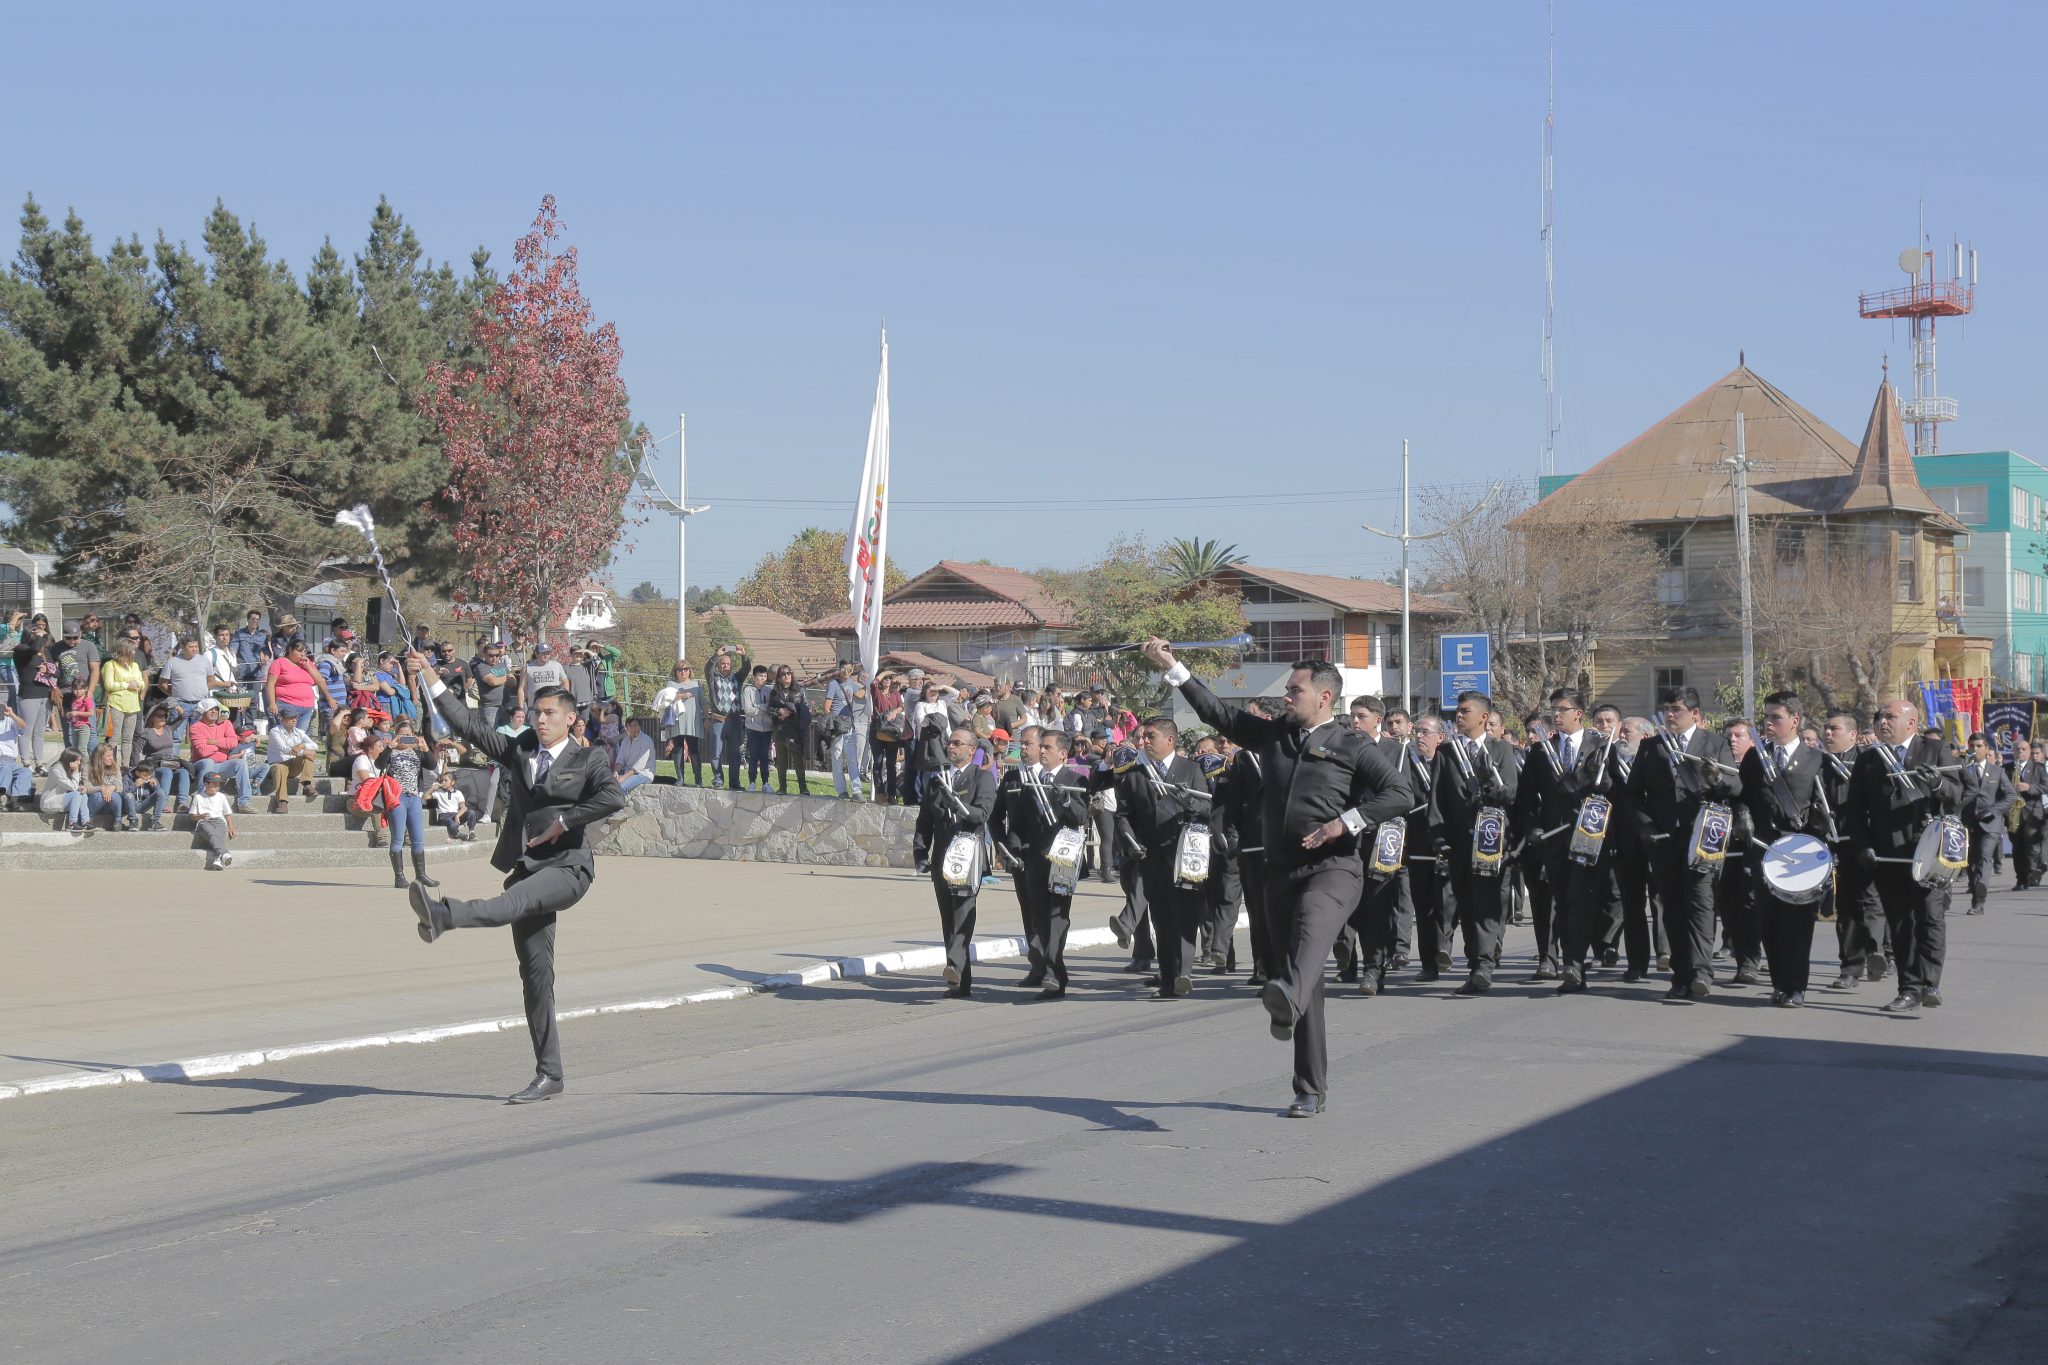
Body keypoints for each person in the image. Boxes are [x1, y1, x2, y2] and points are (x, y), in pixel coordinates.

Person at [1147, 638, 1408, 1118]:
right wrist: (1171, 665)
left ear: (1325, 697)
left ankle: (1286, 995)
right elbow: (1217, 714)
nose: (1287, 696)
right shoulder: (1274, 737)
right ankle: (1309, 1087)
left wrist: (1344, 823)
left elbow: (1399, 793)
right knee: (1302, 979)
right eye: (1289, 689)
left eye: (1295, 690)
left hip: (1335, 868)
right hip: (1279, 870)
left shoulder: (1353, 745)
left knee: (1309, 934)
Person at [404, 649, 628, 1103]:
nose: (539, 721)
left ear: (569, 720)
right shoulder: (521, 748)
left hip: (568, 869)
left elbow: (613, 798)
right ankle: (550, 1075)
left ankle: (445, 914)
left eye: (549, 714)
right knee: (535, 977)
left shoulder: (590, 760)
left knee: (512, 905)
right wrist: (429, 674)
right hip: (527, 867)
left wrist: (566, 822)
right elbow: (469, 724)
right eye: (536, 713)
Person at [1842, 698, 1961, 1013]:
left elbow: (1958, 794)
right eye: (1880, 716)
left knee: (1930, 917)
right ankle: (1909, 988)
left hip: (1930, 849)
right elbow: (1854, 811)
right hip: (1887, 854)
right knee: (1901, 923)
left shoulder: (1934, 750)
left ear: (1911, 722)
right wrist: (1863, 845)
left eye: (1890, 716)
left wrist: (1937, 783)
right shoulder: (1869, 759)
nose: (1883, 722)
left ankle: (1931, 982)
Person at [1628, 686, 1742, 1002]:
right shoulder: (1651, 747)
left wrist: (1717, 778)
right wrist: (1645, 825)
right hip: (1665, 840)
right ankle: (1680, 975)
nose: (1670, 714)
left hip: (1703, 836)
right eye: (1667, 709)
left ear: (1694, 713)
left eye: (1677, 709)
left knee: (1701, 903)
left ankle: (1702, 972)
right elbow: (1633, 794)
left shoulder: (1714, 743)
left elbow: (1736, 785)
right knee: (1673, 908)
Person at [1740, 691, 1828, 1006]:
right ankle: (1779, 982)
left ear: (1795, 720)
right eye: (1766, 718)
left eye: (1776, 718)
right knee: (1769, 921)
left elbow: (1827, 806)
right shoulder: (1755, 757)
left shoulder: (1817, 759)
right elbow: (1745, 799)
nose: (1768, 724)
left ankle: (1796, 986)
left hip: (1803, 854)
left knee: (1798, 924)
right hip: (1764, 851)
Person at [1434, 691, 1521, 995]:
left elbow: (1512, 793)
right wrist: (1438, 837)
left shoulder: (1500, 750)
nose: (1458, 716)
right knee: (1466, 905)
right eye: (1457, 711)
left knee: (1486, 903)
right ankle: (1475, 962)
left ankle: (1484, 965)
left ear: (1484, 717)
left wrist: (1492, 785)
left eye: (1465, 711)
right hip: (1458, 842)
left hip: (1490, 840)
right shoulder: (1447, 752)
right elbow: (1438, 799)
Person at [916, 726, 998, 998]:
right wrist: (920, 853)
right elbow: (925, 821)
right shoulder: (937, 780)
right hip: (942, 858)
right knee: (948, 917)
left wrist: (959, 806)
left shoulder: (982, 778)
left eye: (957, 743)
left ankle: (953, 963)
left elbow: (982, 813)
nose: (951, 747)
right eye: (949, 743)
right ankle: (960, 981)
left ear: (971, 750)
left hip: (968, 856)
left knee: (963, 913)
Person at [1958, 731, 2015, 916]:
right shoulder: (1963, 769)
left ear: (1987, 748)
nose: (1975, 749)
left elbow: (2011, 795)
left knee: (1985, 855)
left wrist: (1995, 810)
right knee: (1972, 863)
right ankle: (1977, 901)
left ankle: (1982, 885)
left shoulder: (1997, 772)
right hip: (1969, 823)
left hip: (1991, 823)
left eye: (1979, 746)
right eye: (1972, 746)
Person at [188, 700, 258, 812]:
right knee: (208, 761)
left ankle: (244, 803)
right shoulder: (196, 727)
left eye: (216, 709)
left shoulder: (226, 723)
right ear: (203, 711)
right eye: (211, 709)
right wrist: (222, 745)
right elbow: (203, 752)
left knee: (240, 763)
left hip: (222, 764)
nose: (215, 711)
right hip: (201, 764)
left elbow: (233, 743)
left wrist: (212, 742)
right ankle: (202, 799)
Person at [9, 615, 57, 771]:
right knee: (26, 730)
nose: (41, 634)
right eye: (35, 632)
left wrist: (48, 669)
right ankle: (26, 762)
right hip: (29, 695)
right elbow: (33, 649)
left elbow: (57, 671)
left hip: (45, 695)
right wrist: (39, 637)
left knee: (39, 732)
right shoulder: (21, 650)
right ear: (29, 633)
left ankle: (39, 763)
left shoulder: (44, 652)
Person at [704, 645, 750, 791]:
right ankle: (718, 780)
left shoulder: (737, 678)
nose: (726, 666)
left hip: (735, 721)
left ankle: (734, 783)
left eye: (728, 664)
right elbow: (708, 669)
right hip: (718, 720)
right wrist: (717, 655)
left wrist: (744, 655)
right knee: (716, 753)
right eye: (723, 663)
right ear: (719, 665)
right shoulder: (714, 678)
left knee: (735, 754)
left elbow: (747, 669)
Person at [132, 705, 189, 818]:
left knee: (184, 772)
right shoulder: (146, 732)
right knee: (166, 772)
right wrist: (138, 769)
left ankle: (182, 803)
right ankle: (163, 802)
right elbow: (136, 751)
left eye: (165, 716)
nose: (163, 718)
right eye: (159, 716)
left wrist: (177, 707)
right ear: (152, 717)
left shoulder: (168, 729)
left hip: (171, 762)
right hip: (154, 764)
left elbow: (183, 717)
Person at [651, 662, 703, 786]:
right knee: (677, 749)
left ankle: (698, 779)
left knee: (694, 750)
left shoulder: (696, 685)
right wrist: (682, 695)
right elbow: (666, 699)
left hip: (692, 722)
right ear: (675, 671)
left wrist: (706, 717)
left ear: (690, 670)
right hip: (676, 722)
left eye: (686, 669)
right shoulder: (670, 684)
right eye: (679, 669)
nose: (683, 671)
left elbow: (703, 702)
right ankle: (680, 778)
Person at [825, 661, 868, 799]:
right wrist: (833, 721)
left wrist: (869, 683)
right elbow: (827, 706)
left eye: (849, 669)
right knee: (837, 758)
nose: (846, 672)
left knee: (852, 759)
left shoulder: (851, 682)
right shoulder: (833, 684)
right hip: (838, 726)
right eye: (843, 668)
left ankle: (857, 790)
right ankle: (841, 790)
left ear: (852, 670)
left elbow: (860, 695)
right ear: (839, 669)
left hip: (849, 725)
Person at [264, 638, 324, 735]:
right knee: (286, 735)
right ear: (290, 650)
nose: (302, 654)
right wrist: (272, 703)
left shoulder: (306, 664)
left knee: (299, 735)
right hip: (287, 704)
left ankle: (295, 750)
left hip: (307, 706)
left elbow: (319, 680)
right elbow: (270, 684)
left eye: (304, 652)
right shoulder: (279, 663)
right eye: (299, 651)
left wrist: (308, 666)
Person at [266, 711, 321, 812]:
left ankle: (307, 785)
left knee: (309, 755)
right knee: (280, 768)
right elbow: (284, 749)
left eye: (295, 717)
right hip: (278, 763)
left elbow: (315, 745)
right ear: (281, 719)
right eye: (290, 718)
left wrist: (302, 745)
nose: (294, 720)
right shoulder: (275, 731)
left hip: (293, 765)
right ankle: (282, 802)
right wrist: (304, 752)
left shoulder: (299, 732)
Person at [2012, 738, 2048, 890]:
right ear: (2013, 751)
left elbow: (2045, 787)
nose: (2020, 751)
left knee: (2032, 846)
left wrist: (2029, 787)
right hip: (2014, 813)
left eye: (2024, 749)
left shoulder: (2038, 768)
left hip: (2033, 812)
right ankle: (2021, 879)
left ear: (2028, 751)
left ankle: (2033, 872)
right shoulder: (2007, 768)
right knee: (2017, 847)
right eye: (2018, 749)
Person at [191, 769, 239, 870]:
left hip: (219, 821)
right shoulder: (198, 797)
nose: (217, 787)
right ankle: (224, 853)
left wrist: (231, 827)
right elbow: (192, 816)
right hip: (204, 822)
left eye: (218, 784)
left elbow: (227, 814)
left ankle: (218, 858)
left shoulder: (221, 797)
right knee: (212, 834)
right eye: (214, 784)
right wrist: (200, 816)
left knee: (218, 834)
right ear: (206, 784)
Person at [84, 743, 134, 831]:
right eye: (108, 756)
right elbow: (87, 788)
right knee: (99, 795)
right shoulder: (87, 767)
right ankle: (88, 819)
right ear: (99, 757)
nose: (112, 758)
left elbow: (120, 786)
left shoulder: (115, 767)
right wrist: (101, 788)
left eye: (112, 755)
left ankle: (117, 820)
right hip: (95, 803)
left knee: (114, 795)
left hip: (112, 804)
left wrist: (111, 788)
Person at [0, 700, 34, 811]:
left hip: (11, 761)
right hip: (1, 761)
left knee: (26, 772)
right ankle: (2, 796)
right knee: (5, 769)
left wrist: (11, 714)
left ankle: (13, 801)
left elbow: (23, 725)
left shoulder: (10, 721)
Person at [429, 769, 479, 841]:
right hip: (444, 817)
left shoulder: (458, 793)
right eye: (442, 780)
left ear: (452, 782)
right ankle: (458, 834)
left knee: (471, 812)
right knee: (450, 822)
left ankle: (471, 832)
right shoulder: (438, 792)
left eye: (446, 781)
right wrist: (432, 788)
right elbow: (425, 797)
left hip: (455, 815)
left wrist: (457, 816)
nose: (443, 782)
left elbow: (464, 808)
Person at [613, 716, 656, 793]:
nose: (632, 728)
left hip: (643, 773)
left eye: (635, 725)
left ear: (640, 726)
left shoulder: (646, 741)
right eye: (630, 726)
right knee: (606, 781)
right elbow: (620, 760)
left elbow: (638, 766)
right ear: (626, 728)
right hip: (628, 771)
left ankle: (616, 805)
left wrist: (623, 778)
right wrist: (616, 772)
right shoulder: (625, 741)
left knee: (621, 787)